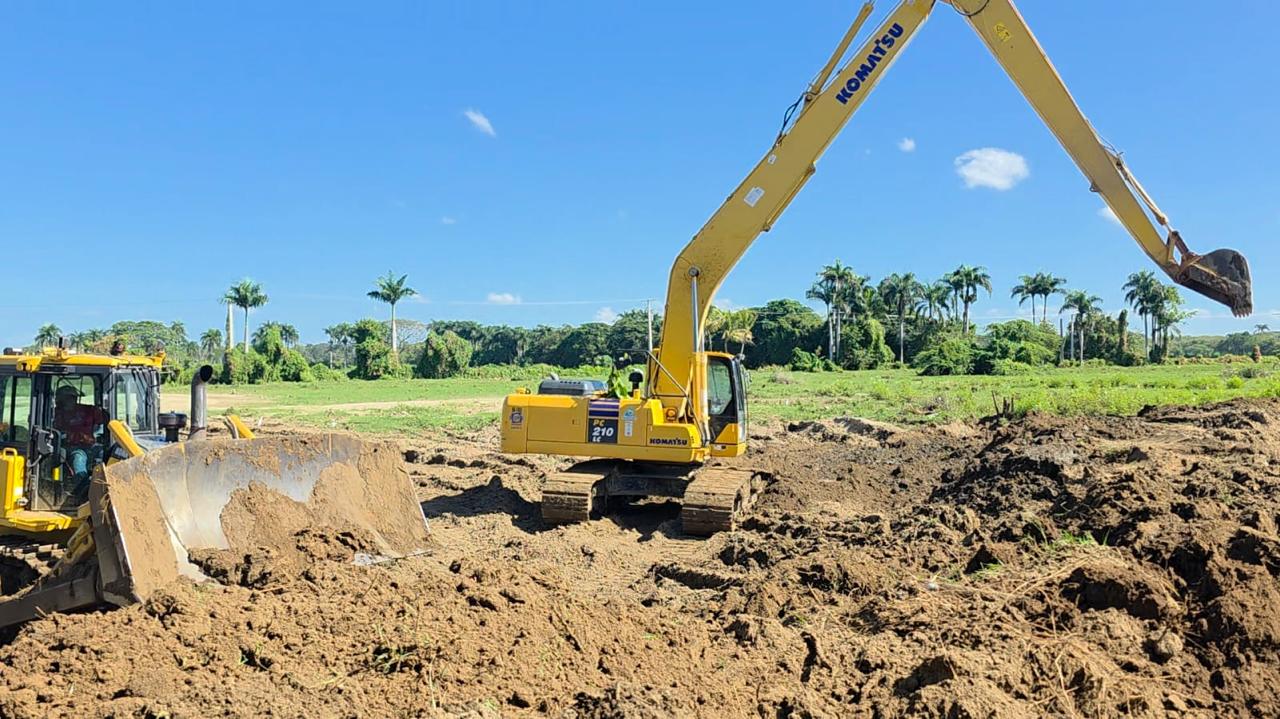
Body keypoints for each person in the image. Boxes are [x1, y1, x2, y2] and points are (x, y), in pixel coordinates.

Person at [53, 385, 106, 480]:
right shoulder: (55, 414)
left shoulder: (89, 410)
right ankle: (83, 486)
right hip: (71, 448)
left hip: (91, 446)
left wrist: (96, 434)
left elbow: (101, 424)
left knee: (104, 453)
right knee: (79, 458)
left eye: (72, 398)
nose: (70, 401)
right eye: (66, 398)